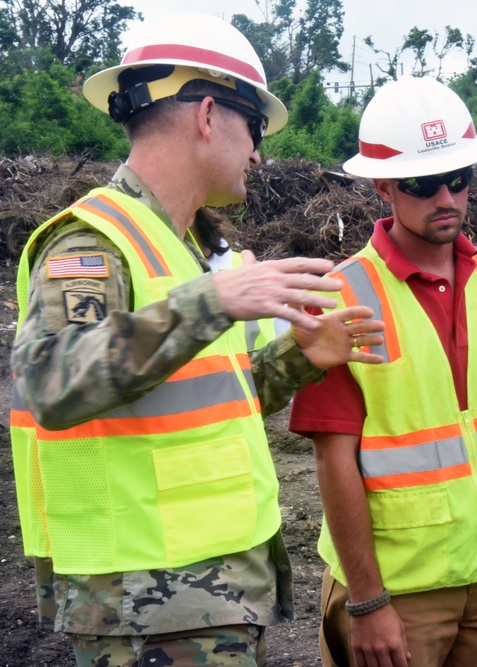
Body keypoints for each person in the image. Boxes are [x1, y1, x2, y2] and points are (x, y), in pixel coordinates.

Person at [9, 12, 384, 666]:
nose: (258, 153)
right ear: (208, 115)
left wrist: (300, 356)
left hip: (204, 597)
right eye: (255, 127)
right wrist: (213, 301)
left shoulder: (180, 249)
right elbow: (51, 383)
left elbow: (203, 402)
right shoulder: (92, 242)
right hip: (145, 604)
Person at [289, 75, 477, 667]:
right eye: (422, 183)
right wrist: (367, 601)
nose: (447, 198)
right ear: (383, 186)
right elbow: (335, 459)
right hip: (397, 590)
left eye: (458, 178)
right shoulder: (338, 298)